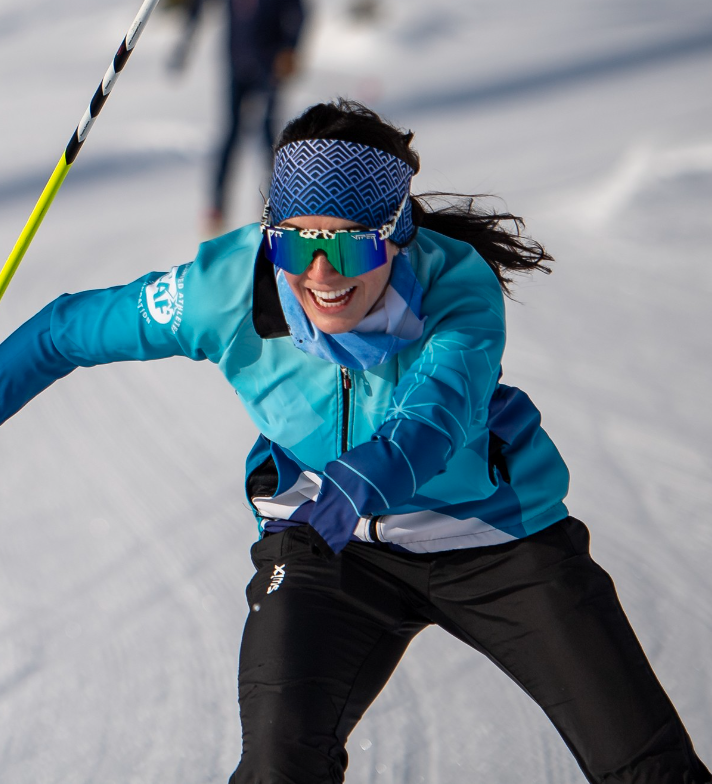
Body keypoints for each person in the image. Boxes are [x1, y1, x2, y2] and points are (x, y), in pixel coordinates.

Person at [0, 99, 709, 784]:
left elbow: (434, 417)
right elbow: (66, 331)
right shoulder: (224, 289)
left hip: (496, 541)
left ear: (395, 234)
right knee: (278, 766)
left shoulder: (455, 290)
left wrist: (355, 486)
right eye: (296, 241)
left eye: (348, 242)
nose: (320, 273)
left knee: (647, 766)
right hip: (327, 548)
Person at [169, 0, 306, 232]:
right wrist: (185, 42)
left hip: (269, 69)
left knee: (269, 139)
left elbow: (300, 12)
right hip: (236, 66)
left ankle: (273, 206)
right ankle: (216, 207)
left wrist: (290, 48)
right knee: (230, 135)